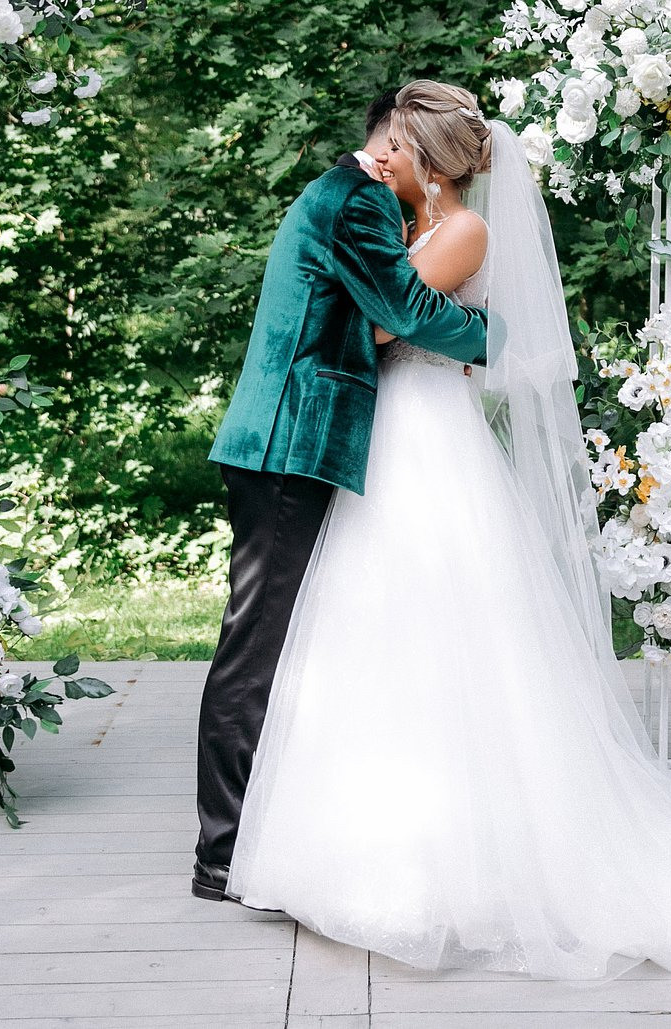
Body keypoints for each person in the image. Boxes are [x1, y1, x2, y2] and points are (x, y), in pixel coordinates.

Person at [226, 80, 671, 979]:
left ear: (430, 161)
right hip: (387, 434)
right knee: (362, 629)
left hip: (422, 436)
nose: (389, 158)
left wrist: (433, 314)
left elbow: (388, 326)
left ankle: (451, 848)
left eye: (404, 149)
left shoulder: (461, 230)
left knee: (439, 617)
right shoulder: (398, 219)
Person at [194, 89, 488, 904]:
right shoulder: (358, 199)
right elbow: (397, 312)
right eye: (396, 142)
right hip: (287, 443)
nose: (399, 157)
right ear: (387, 145)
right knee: (255, 648)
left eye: (409, 145)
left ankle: (260, 836)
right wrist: (499, 335)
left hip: (296, 442)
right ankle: (221, 853)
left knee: (288, 641)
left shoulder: (360, 200)